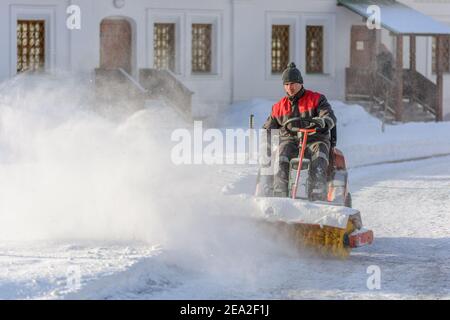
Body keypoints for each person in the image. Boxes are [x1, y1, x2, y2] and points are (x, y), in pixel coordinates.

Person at [263, 62, 337, 201]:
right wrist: (265, 139)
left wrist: (323, 121)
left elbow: (329, 116)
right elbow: (269, 129)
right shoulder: (278, 107)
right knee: (281, 154)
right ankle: (279, 194)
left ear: (300, 83)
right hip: (290, 141)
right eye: (286, 84)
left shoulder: (316, 99)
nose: (289, 87)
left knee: (319, 154)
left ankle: (318, 193)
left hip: (314, 139)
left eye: (292, 83)